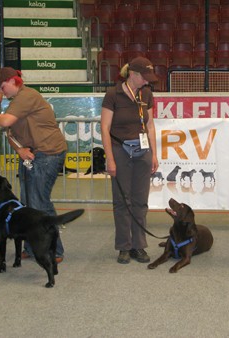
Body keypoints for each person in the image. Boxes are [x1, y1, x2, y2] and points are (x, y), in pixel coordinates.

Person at [0, 67, 67, 263]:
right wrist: (20, 150)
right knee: (28, 204)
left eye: (2, 87)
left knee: (39, 203)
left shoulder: (27, 96)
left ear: (12, 81)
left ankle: (53, 250)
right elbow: (10, 134)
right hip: (32, 155)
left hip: (47, 154)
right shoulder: (17, 101)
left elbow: (6, 122)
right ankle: (33, 247)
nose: (1, 92)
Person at [101, 57, 159, 264]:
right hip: (120, 150)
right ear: (133, 75)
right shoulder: (113, 94)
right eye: (144, 77)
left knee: (140, 201)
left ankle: (139, 245)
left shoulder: (147, 93)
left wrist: (154, 153)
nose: (147, 81)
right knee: (122, 201)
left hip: (142, 151)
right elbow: (105, 128)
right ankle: (124, 246)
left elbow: (150, 125)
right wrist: (110, 159)